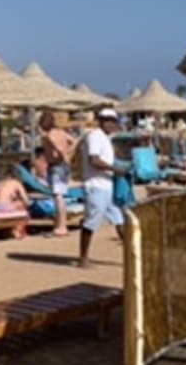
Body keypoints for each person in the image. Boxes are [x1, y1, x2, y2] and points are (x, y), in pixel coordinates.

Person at [79, 108, 124, 267]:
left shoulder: (105, 138)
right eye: (107, 121)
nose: (110, 124)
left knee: (119, 219)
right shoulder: (95, 136)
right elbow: (94, 160)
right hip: (96, 186)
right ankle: (83, 258)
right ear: (101, 121)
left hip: (107, 185)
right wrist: (115, 169)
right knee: (91, 222)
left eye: (113, 121)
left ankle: (133, 255)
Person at [38, 111, 78, 237]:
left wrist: (62, 155)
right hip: (62, 165)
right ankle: (60, 224)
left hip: (57, 165)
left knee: (58, 196)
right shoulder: (61, 132)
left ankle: (62, 226)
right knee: (59, 196)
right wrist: (69, 152)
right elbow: (74, 141)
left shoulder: (49, 135)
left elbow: (57, 148)